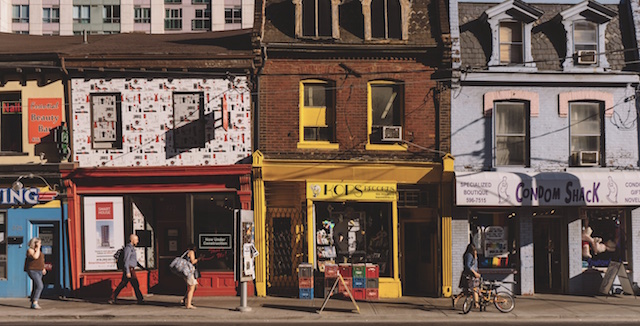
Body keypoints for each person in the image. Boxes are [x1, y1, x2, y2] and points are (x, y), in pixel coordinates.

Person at [109, 234, 144, 304]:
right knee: (135, 284)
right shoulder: (128, 248)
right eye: (136, 240)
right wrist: (127, 271)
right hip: (129, 269)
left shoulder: (132, 248)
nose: (137, 241)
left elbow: (133, 260)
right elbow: (126, 260)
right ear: (132, 240)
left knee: (123, 283)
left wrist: (141, 267)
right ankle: (140, 299)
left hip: (131, 268)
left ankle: (112, 297)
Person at [453, 243, 482, 308]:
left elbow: (475, 265)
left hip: (473, 275)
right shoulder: (469, 255)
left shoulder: (473, 256)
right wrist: (474, 273)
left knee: (471, 290)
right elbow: (468, 266)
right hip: (469, 275)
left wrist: (476, 257)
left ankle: (457, 298)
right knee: (472, 289)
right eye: (474, 249)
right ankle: (476, 304)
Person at [25, 237, 47, 309]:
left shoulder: (39, 251)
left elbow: (41, 260)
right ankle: (35, 302)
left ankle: (32, 301)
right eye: (39, 243)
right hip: (32, 270)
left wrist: (43, 268)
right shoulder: (30, 250)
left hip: (39, 270)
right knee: (40, 285)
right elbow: (35, 257)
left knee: (36, 286)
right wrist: (37, 248)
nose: (40, 244)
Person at [181, 243, 200, 309]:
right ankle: (188, 304)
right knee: (192, 287)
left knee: (194, 287)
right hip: (190, 272)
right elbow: (193, 261)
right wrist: (199, 259)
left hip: (187, 272)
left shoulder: (186, 252)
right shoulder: (191, 252)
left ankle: (184, 299)